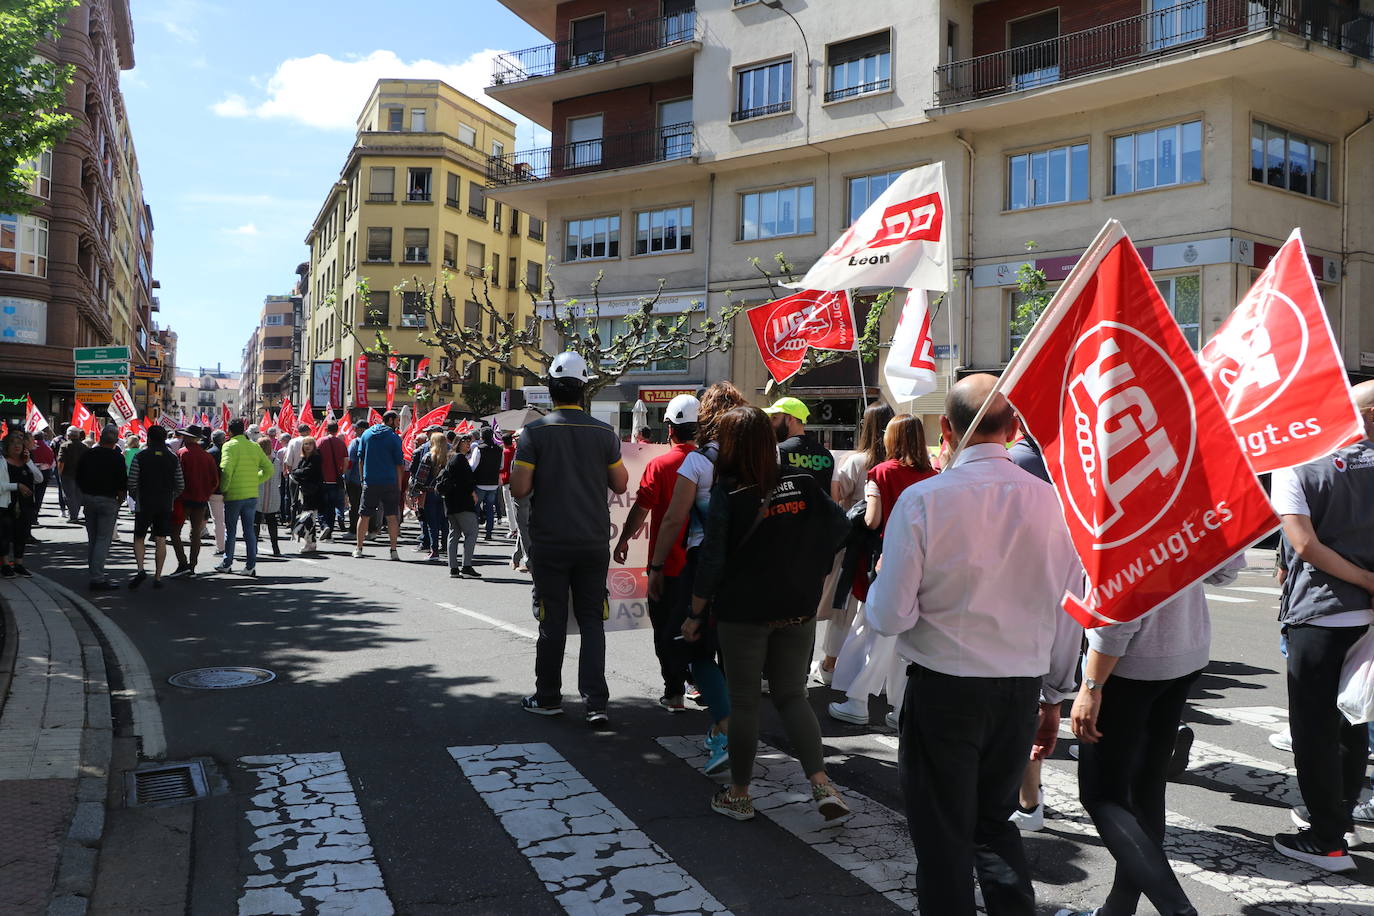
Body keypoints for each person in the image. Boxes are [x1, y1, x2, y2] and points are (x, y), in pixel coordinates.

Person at [865, 375, 1082, 916]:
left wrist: (881, 580)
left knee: (942, 839)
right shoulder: (1056, 505)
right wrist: (1055, 694)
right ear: (1014, 429)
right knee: (995, 824)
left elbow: (890, 616)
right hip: (1017, 689)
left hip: (944, 691)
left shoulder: (923, 499)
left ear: (947, 427)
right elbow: (1069, 613)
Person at [685, 406, 851, 823]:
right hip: (797, 607)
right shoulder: (804, 484)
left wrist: (694, 612)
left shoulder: (730, 491)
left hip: (744, 611)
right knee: (793, 695)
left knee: (743, 703)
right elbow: (839, 529)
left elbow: (713, 559)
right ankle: (821, 784)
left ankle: (739, 794)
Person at [1061, 556, 1244, 916]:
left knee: (1102, 797)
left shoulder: (1125, 503)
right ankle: (1119, 907)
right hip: (1182, 654)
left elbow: (1117, 614)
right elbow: (1225, 568)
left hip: (1128, 665)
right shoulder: (1184, 499)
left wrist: (1092, 686)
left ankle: (1177, 909)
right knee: (1145, 792)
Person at [1266, 379, 1374, 873]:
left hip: (1321, 610)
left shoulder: (1297, 461)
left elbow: (1303, 544)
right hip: (1365, 615)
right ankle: (1342, 817)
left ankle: (1328, 838)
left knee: (1313, 728)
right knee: (1353, 719)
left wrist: (1363, 580)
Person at [510, 352, 628, 725]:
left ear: (550, 389)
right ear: (583, 388)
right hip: (593, 539)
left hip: (550, 541)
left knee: (552, 620)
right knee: (593, 620)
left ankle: (548, 696)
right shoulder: (604, 433)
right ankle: (596, 703)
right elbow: (621, 483)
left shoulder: (534, 432)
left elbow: (519, 488)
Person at [651, 381, 749, 772]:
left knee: (694, 646)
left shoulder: (700, 461)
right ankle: (735, 726)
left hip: (704, 565)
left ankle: (726, 730)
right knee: (739, 650)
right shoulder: (762, 457)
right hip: (751, 563)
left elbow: (676, 517)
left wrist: (657, 566)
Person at [829, 414, 936, 727]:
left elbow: (872, 520)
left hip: (886, 561)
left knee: (873, 630)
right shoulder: (933, 475)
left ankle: (858, 699)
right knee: (904, 639)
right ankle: (899, 706)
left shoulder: (881, 473)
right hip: (923, 563)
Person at [614, 394, 699, 713]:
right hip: (705, 565)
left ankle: (674, 690)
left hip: (669, 565)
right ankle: (699, 682)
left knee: (665, 629)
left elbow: (642, 507)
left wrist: (623, 539)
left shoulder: (661, 464)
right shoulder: (710, 462)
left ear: (670, 428)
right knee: (701, 626)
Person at [814, 402, 893, 686]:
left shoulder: (857, 461)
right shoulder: (900, 463)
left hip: (855, 546)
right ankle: (871, 671)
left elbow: (837, 498)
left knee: (844, 608)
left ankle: (830, 665)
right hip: (888, 546)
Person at [126, 425, 184, 590]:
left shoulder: (140, 456)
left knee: (139, 537)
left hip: (144, 502)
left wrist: (135, 495)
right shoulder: (173, 458)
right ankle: (158, 577)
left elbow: (132, 481)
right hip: (165, 503)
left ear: (149, 439)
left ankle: (140, 569)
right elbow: (180, 484)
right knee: (161, 539)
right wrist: (170, 497)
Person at [215, 418, 275, 576]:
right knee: (249, 531)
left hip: (234, 495)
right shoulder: (254, 446)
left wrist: (224, 488)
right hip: (251, 495)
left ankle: (227, 563)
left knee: (231, 531)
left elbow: (226, 470)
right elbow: (269, 469)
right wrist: (255, 480)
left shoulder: (229, 445)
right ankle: (250, 566)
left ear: (230, 431)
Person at [77, 426, 128, 591]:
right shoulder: (117, 457)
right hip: (107, 499)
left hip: (89, 498)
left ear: (100, 438)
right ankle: (97, 577)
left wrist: (84, 493)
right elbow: (122, 482)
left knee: (93, 538)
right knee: (103, 540)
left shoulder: (88, 454)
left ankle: (94, 573)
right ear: (116, 440)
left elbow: (78, 476)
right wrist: (121, 499)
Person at [168, 426, 219, 578]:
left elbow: (175, 477)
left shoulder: (181, 454)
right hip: (201, 499)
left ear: (188, 438)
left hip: (183, 499)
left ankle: (182, 563)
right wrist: (206, 493)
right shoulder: (207, 456)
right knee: (195, 533)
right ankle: (192, 565)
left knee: (175, 532)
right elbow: (215, 481)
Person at [355, 410, 405, 560]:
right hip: (389, 482)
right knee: (392, 517)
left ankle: (359, 548)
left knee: (364, 515)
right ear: (390, 420)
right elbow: (399, 464)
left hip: (370, 481)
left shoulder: (366, 434)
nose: (398, 424)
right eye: (397, 421)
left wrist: (362, 479)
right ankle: (393, 551)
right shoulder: (394, 438)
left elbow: (360, 459)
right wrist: (399, 484)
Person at [765, 396, 834, 491]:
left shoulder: (778, 452)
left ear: (789, 419)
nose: (770, 423)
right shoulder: (826, 454)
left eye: (774, 418)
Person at [436, 433, 480, 578]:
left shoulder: (450, 458)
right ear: (458, 443)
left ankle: (453, 568)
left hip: (450, 502)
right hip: (462, 502)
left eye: (469, 441)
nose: (468, 444)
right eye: (465, 441)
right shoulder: (460, 458)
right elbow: (467, 480)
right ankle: (466, 566)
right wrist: (472, 492)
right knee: (471, 532)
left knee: (454, 534)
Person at [0, 433, 37, 578]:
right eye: (13, 443)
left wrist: (29, 462)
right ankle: (4, 564)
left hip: (25, 505)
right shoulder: (2, 462)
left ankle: (18, 564)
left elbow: (39, 478)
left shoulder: (26, 462)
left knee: (21, 535)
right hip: (6, 504)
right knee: (4, 535)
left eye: (20, 444)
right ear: (7, 447)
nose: (17, 446)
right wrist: (17, 486)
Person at [409, 432, 449, 562]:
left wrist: (414, 493)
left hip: (430, 493)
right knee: (444, 522)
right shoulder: (450, 457)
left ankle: (434, 550)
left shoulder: (428, 457)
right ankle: (446, 547)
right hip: (446, 494)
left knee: (432, 523)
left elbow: (420, 478)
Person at [290, 436, 324, 554]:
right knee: (306, 517)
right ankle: (310, 542)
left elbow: (306, 472)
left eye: (310, 443)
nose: (308, 446)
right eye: (306, 444)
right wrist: (298, 473)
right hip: (304, 492)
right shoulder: (303, 458)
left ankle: (310, 543)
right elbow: (297, 472)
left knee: (309, 518)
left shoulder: (316, 457)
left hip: (313, 493)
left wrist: (298, 473)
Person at [316, 421, 350, 540]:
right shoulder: (341, 443)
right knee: (331, 507)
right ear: (337, 430)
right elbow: (346, 461)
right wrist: (342, 473)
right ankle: (329, 531)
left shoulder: (320, 441)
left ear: (326, 429)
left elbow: (315, 459)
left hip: (322, 479)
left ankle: (324, 525)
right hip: (336, 480)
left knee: (321, 506)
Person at [471, 426, 503, 540]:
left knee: (475, 508)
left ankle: (474, 531)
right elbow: (501, 466)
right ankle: (488, 533)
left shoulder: (479, 449)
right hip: (493, 483)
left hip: (480, 482)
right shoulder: (499, 449)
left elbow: (473, 466)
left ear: (481, 436)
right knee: (490, 509)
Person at [253, 438, 284, 557]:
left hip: (258, 493)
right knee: (272, 521)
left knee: (256, 521)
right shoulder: (276, 461)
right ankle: (275, 547)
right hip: (273, 494)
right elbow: (278, 478)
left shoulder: (257, 461)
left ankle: (254, 547)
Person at [280, 422, 311, 525]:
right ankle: (305, 522)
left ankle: (293, 522)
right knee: (308, 500)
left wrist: (288, 472)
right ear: (307, 431)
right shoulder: (312, 441)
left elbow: (288, 460)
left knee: (293, 500)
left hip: (295, 474)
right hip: (309, 474)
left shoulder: (293, 442)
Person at [56, 426, 88, 524]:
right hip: (81, 475)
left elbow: (61, 461)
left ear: (68, 435)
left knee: (69, 495)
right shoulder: (84, 446)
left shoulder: (65, 445)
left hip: (67, 474)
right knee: (78, 495)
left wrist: (59, 472)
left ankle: (73, 516)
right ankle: (75, 514)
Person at [207, 429, 227, 555]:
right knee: (228, 520)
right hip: (230, 488)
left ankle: (221, 547)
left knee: (218, 520)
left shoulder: (209, 453)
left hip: (214, 490)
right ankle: (227, 545)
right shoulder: (228, 451)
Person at [30, 430, 54, 523]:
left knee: (30, 494)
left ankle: (30, 515)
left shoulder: (30, 447)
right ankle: (35, 516)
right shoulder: (47, 447)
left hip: (30, 471)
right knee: (39, 495)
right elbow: (51, 461)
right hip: (44, 472)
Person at [500, 431, 517, 537]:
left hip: (506, 481)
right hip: (517, 481)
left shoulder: (504, 452)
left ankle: (513, 529)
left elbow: (502, 468)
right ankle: (517, 527)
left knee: (509, 506)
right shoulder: (516, 450)